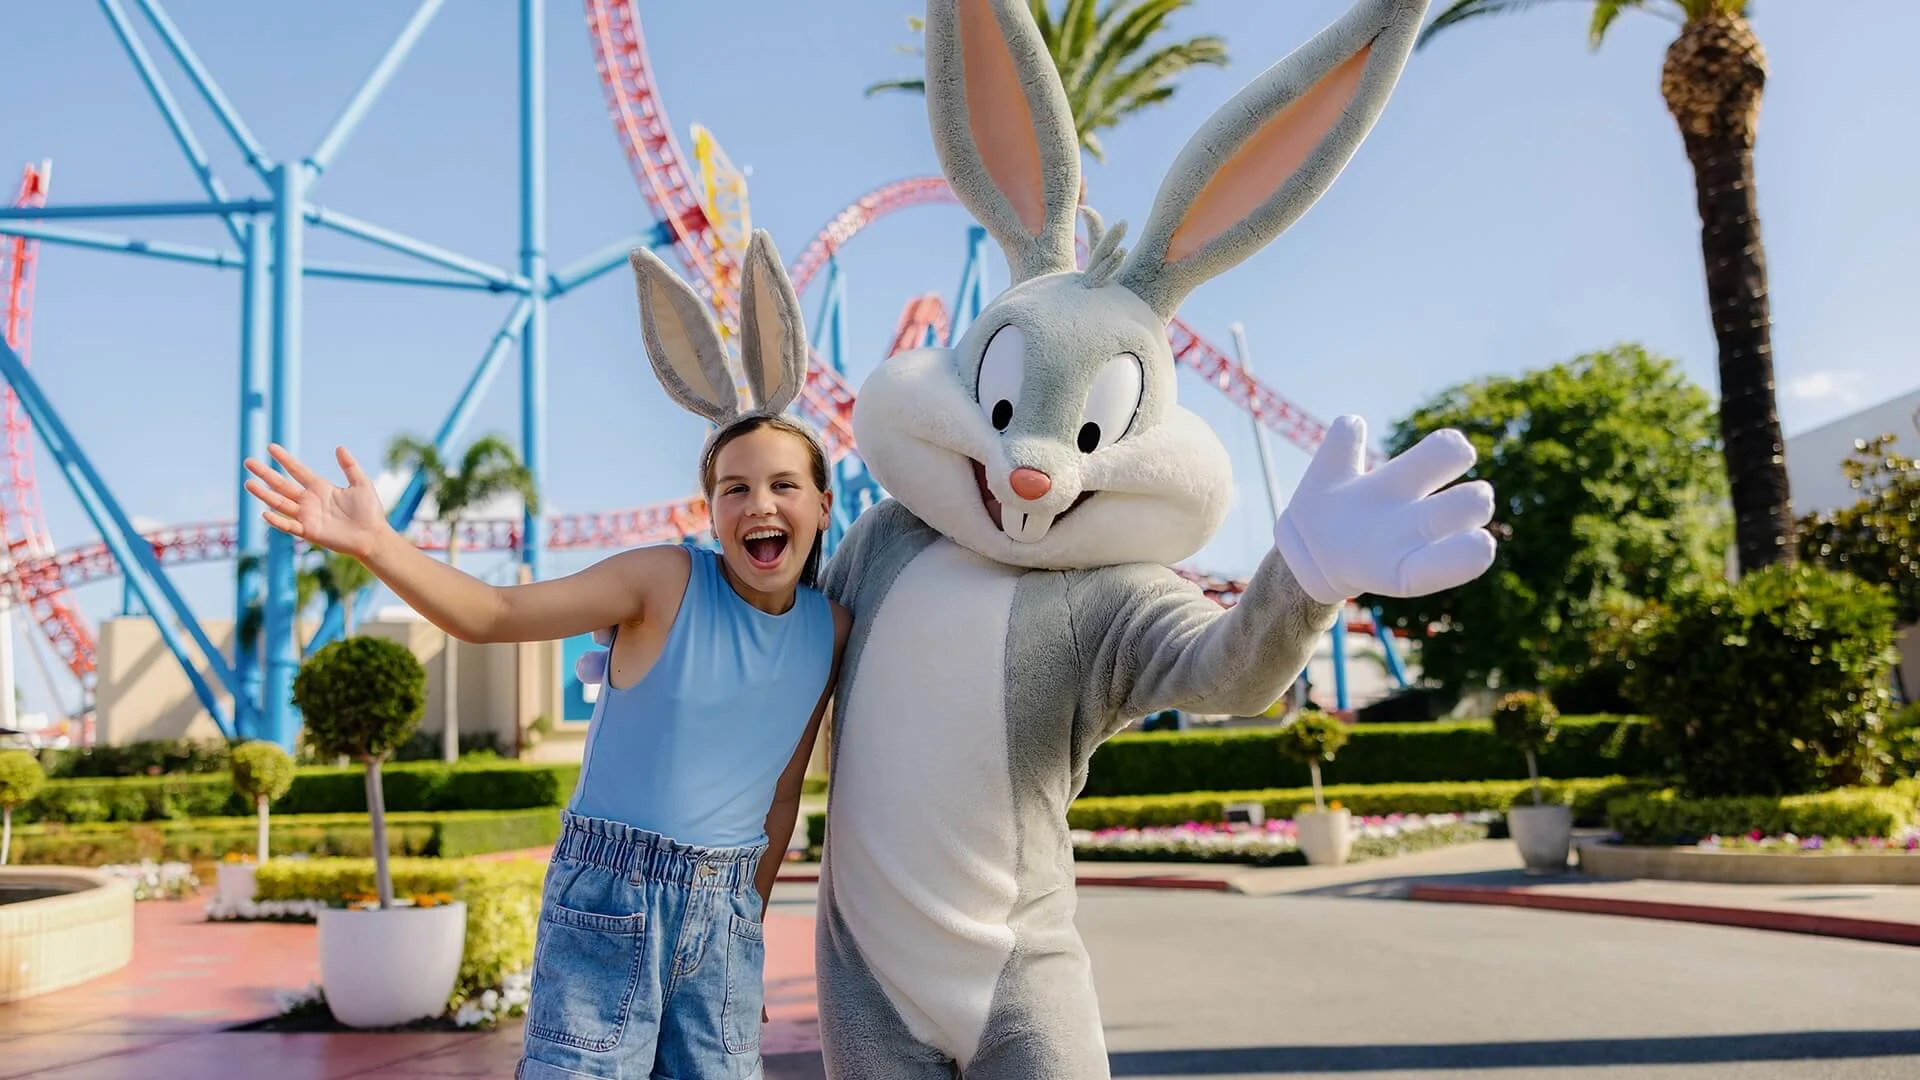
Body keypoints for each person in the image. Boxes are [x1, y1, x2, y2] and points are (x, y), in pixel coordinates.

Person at [242, 405, 851, 1080]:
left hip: (729, 913)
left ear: (823, 506)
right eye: (734, 488)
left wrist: (747, 936)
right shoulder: (665, 581)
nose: (758, 503)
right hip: (612, 894)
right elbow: (493, 613)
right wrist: (374, 543)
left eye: (783, 485)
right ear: (712, 514)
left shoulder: (831, 631)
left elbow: (781, 794)